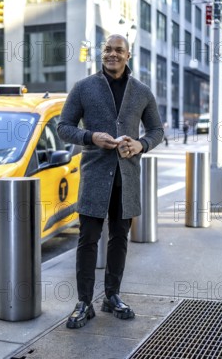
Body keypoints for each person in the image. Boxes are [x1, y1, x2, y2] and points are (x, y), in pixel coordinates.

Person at [57, 34, 164, 329]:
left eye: (118, 50)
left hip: (126, 177)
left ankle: (112, 296)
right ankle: (83, 302)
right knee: (87, 240)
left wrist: (141, 145)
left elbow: (157, 130)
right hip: (94, 177)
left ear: (128, 56)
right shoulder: (83, 88)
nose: (112, 54)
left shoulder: (141, 91)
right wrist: (90, 137)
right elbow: (63, 127)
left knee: (119, 239)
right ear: (101, 54)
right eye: (107, 50)